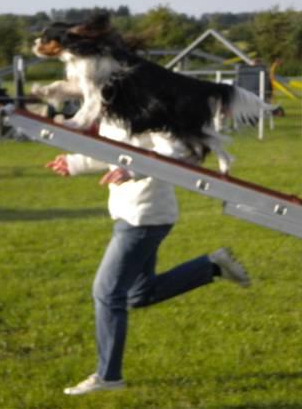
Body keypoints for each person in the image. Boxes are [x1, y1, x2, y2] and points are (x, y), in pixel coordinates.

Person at [46, 122, 250, 397]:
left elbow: (171, 150)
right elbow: (111, 151)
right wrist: (75, 163)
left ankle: (109, 377)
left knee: (106, 292)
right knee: (139, 294)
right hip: (130, 213)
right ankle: (211, 267)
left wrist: (132, 170)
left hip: (143, 215)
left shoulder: (147, 108)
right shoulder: (114, 106)